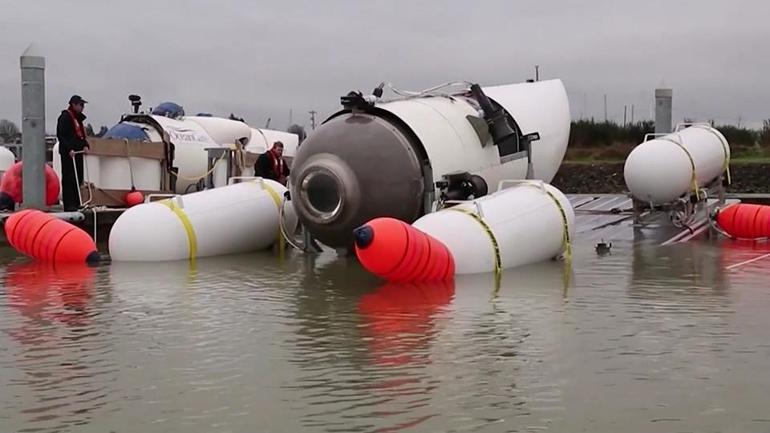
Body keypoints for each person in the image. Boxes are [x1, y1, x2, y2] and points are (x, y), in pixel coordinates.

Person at [56, 95, 90, 211]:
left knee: (78, 177)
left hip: (78, 151)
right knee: (69, 177)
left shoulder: (78, 118)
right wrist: (69, 149)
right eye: (81, 105)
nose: (82, 107)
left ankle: (77, 201)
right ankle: (69, 204)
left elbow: (81, 134)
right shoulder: (65, 117)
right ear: (74, 105)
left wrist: (85, 145)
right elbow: (62, 135)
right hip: (69, 153)